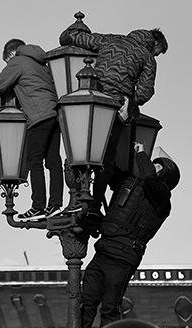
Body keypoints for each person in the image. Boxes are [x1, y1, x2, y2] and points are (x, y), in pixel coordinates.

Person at [59, 27, 169, 215]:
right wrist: (133, 101)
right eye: (157, 53)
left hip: (91, 100)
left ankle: (75, 197)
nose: (155, 56)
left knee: (80, 148)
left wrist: (72, 31)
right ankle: (94, 204)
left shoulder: (109, 40)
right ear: (155, 44)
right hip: (114, 107)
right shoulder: (147, 57)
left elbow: (72, 38)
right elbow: (145, 91)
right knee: (107, 158)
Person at [80, 142, 180, 328]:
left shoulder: (162, 197)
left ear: (166, 175)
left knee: (109, 309)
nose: (151, 167)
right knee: (86, 303)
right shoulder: (132, 182)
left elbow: (151, 180)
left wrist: (141, 155)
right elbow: (111, 172)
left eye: (157, 166)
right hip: (104, 249)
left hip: (122, 258)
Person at [0, 39, 63, 220]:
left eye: (7, 62)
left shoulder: (18, 62)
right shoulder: (41, 63)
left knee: (34, 161)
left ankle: (38, 206)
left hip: (38, 116)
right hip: (54, 114)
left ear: (10, 54)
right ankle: (55, 204)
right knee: (53, 161)